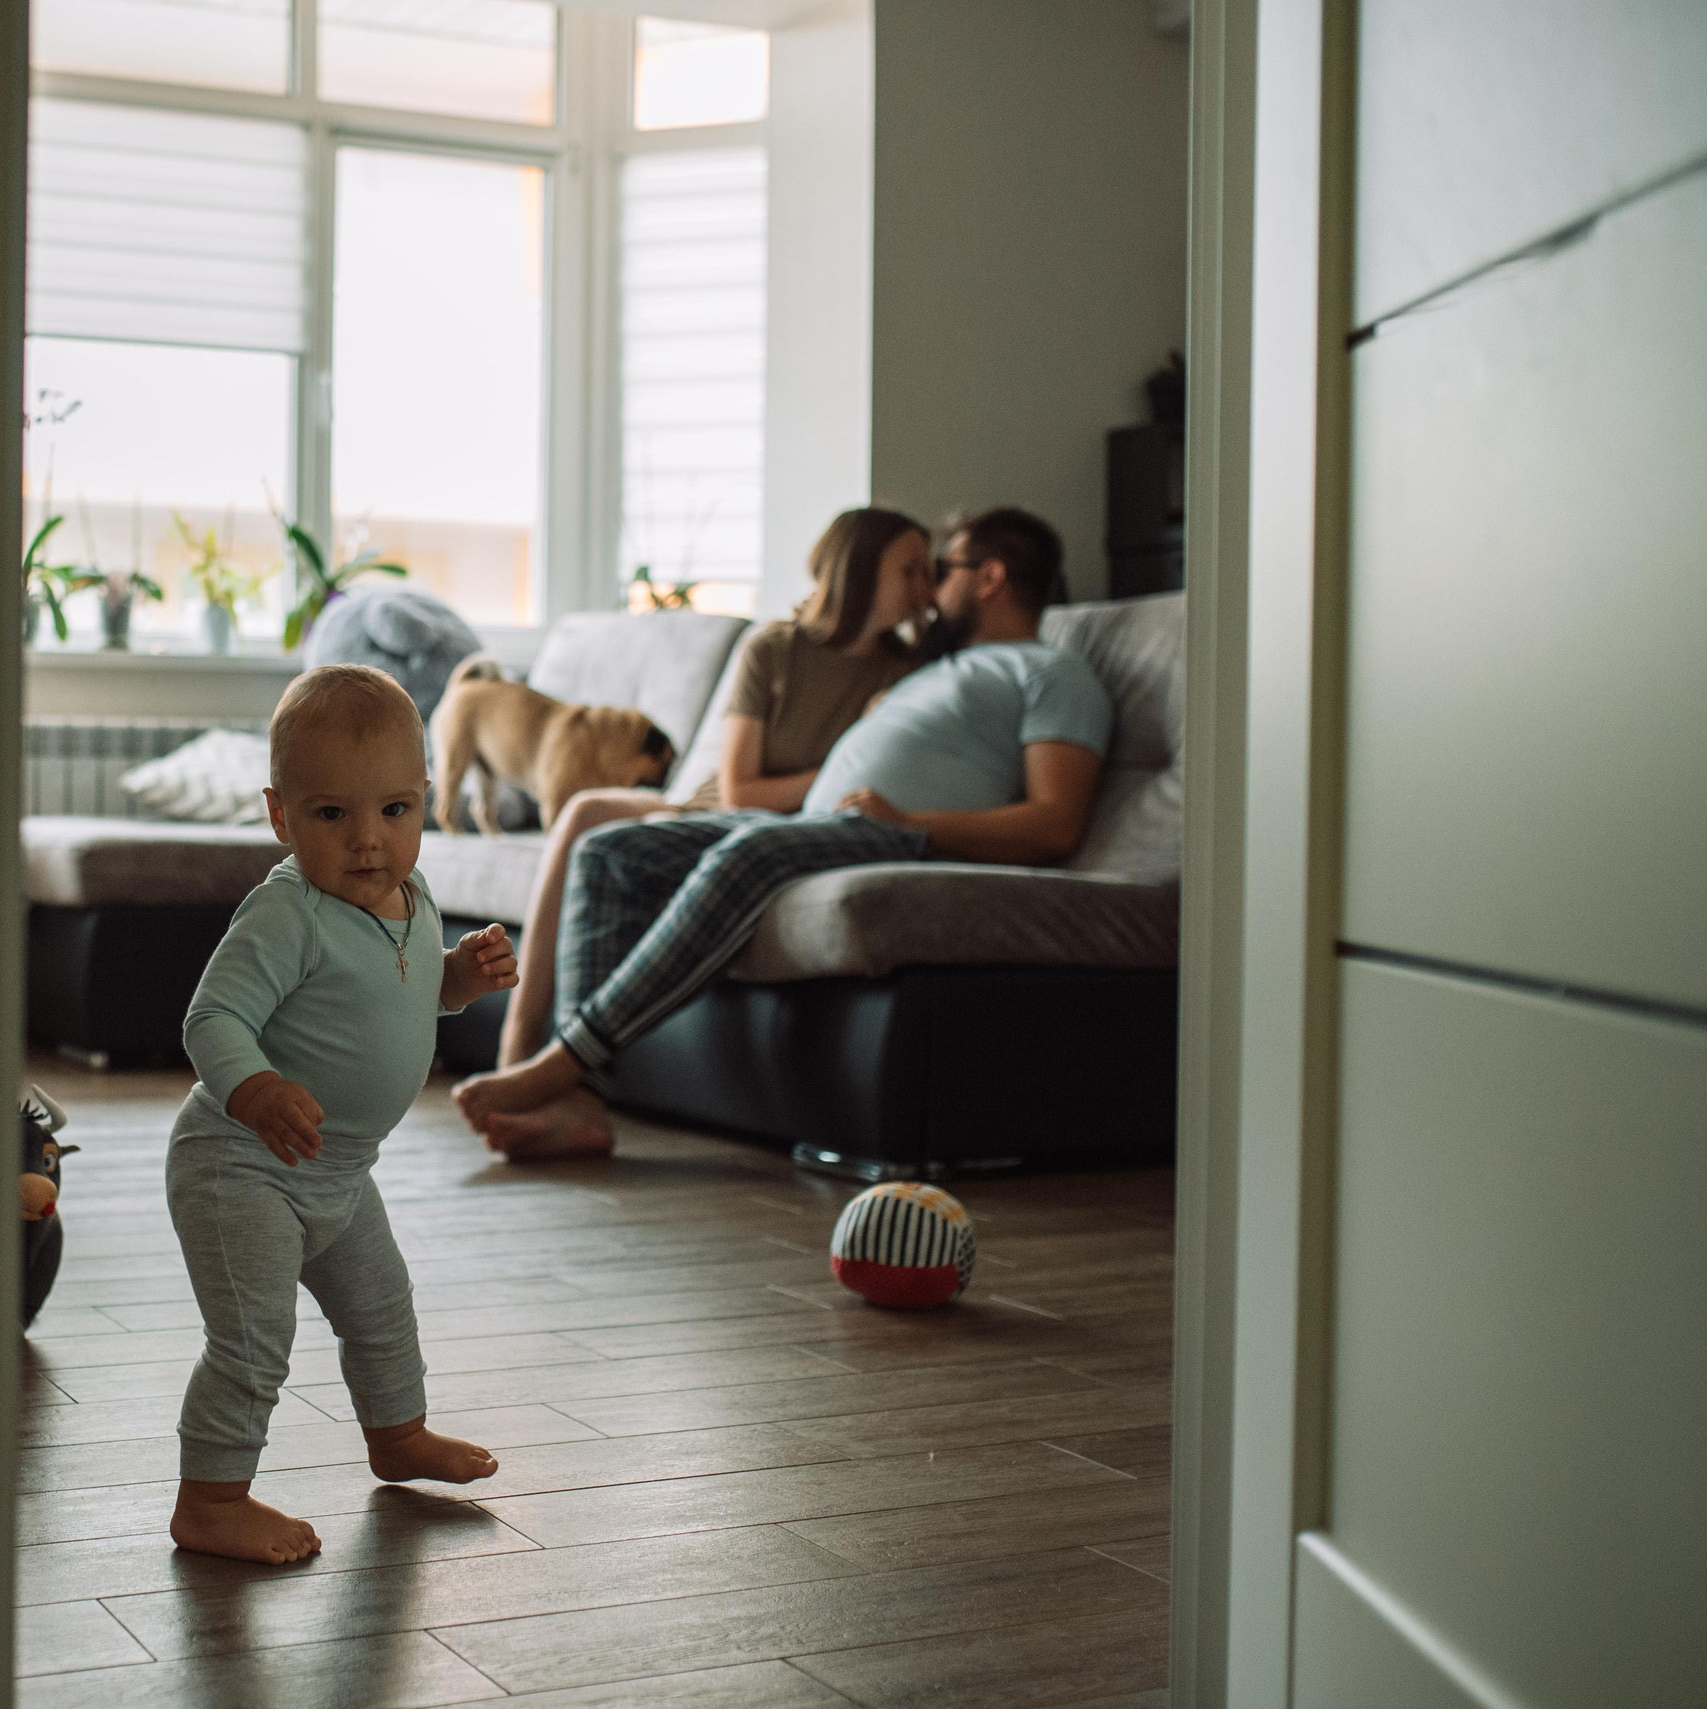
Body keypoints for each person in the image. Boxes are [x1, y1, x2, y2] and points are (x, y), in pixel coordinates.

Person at [454, 506, 1110, 1159]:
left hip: (884, 833)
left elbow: (1056, 824)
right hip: (813, 823)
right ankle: (583, 1104)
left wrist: (910, 822)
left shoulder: (1051, 674)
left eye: (946, 568)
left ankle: (561, 1062)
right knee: (610, 851)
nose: (932, 587)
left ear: (991, 577)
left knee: (748, 851)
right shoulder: (928, 670)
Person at [164, 665, 522, 1564]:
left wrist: (460, 978)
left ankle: (398, 1435)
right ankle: (210, 1499)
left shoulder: (413, 894)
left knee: (383, 1307)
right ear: (281, 815)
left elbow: (399, 992)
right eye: (332, 816)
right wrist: (256, 1089)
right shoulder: (288, 913)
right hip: (240, 1162)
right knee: (254, 1338)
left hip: (340, 1169)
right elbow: (212, 1018)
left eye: (394, 811)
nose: (369, 841)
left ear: (425, 801)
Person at [494, 508, 935, 1067]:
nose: (927, 587)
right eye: (911, 571)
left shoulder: (908, 675)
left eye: (930, 571)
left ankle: (559, 1062)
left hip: (778, 831)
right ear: (861, 571)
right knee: (586, 812)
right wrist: (838, 756)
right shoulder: (773, 650)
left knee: (614, 834)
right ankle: (519, 1042)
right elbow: (737, 792)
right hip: (702, 806)